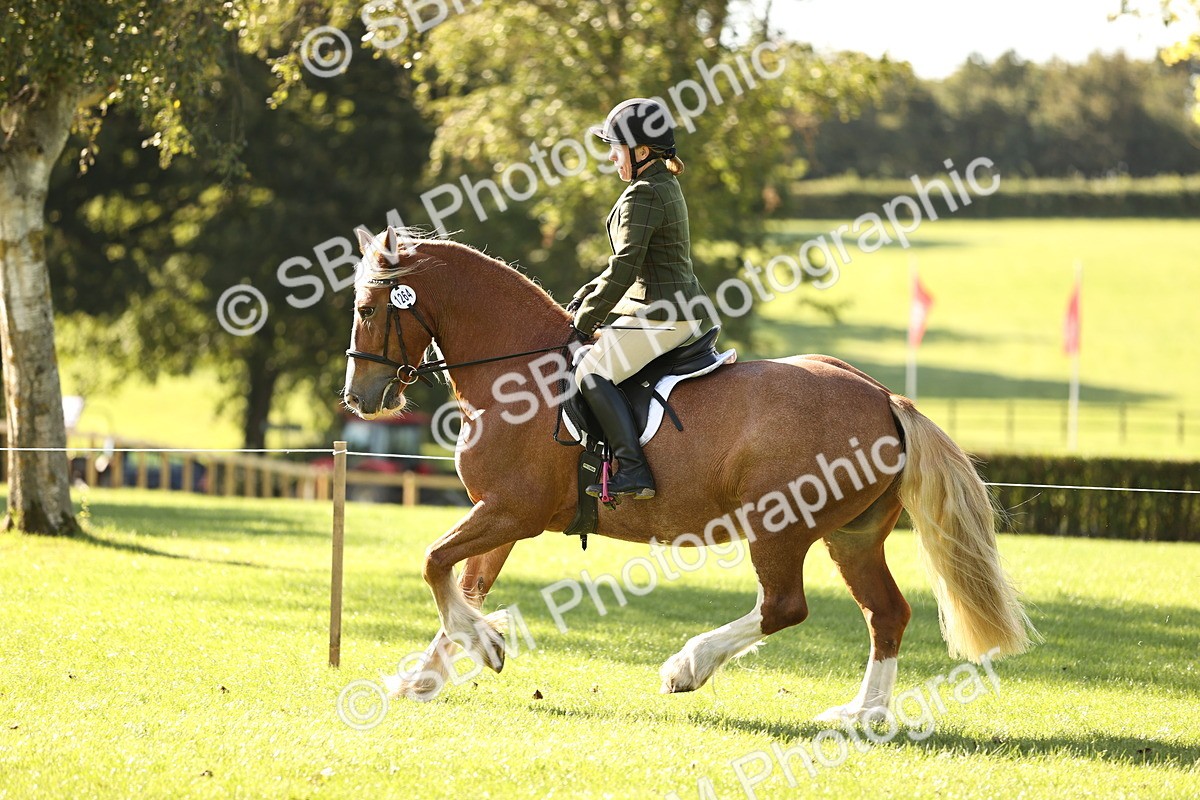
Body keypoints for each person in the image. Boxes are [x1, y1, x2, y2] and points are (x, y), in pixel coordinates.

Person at [566, 97, 711, 500]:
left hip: (665, 315)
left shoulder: (643, 193)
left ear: (642, 151)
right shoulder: (660, 183)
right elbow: (630, 268)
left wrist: (584, 321)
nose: (612, 157)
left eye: (616, 147)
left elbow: (625, 267)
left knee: (591, 373)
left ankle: (632, 468)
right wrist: (583, 298)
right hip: (669, 306)